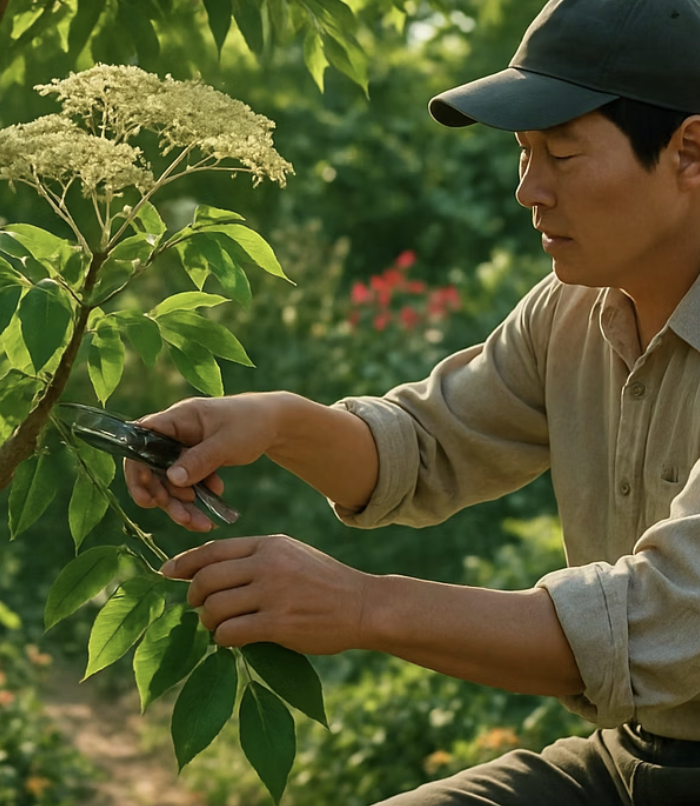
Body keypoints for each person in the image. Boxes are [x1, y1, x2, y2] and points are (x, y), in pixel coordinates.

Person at [124, 0, 700, 802]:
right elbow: (427, 447)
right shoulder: (574, 311)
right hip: (626, 759)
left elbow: (657, 619)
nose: (528, 190)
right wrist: (274, 422)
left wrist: (361, 605)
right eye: (524, 153)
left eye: (562, 154)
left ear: (689, 151)